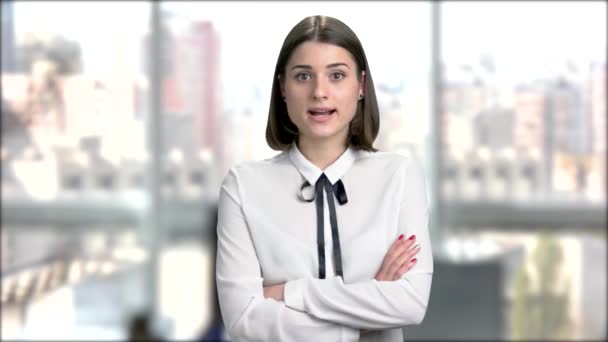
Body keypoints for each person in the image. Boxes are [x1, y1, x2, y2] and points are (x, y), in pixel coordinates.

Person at [216, 15, 433, 342]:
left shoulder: (399, 177)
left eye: (336, 75)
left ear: (360, 86)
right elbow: (243, 319)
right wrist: (367, 308)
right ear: (283, 89)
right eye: (303, 76)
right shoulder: (243, 187)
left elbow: (411, 304)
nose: (320, 92)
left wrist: (290, 292)